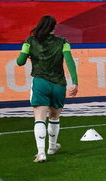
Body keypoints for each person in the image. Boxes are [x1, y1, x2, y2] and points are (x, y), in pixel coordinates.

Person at [16, 15, 78, 163]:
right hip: (58, 84)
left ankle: (41, 153)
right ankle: (52, 147)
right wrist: (75, 82)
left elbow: (20, 62)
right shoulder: (63, 42)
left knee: (40, 118)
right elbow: (69, 62)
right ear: (54, 27)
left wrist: (29, 54)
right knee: (54, 117)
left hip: (40, 83)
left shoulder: (30, 41)